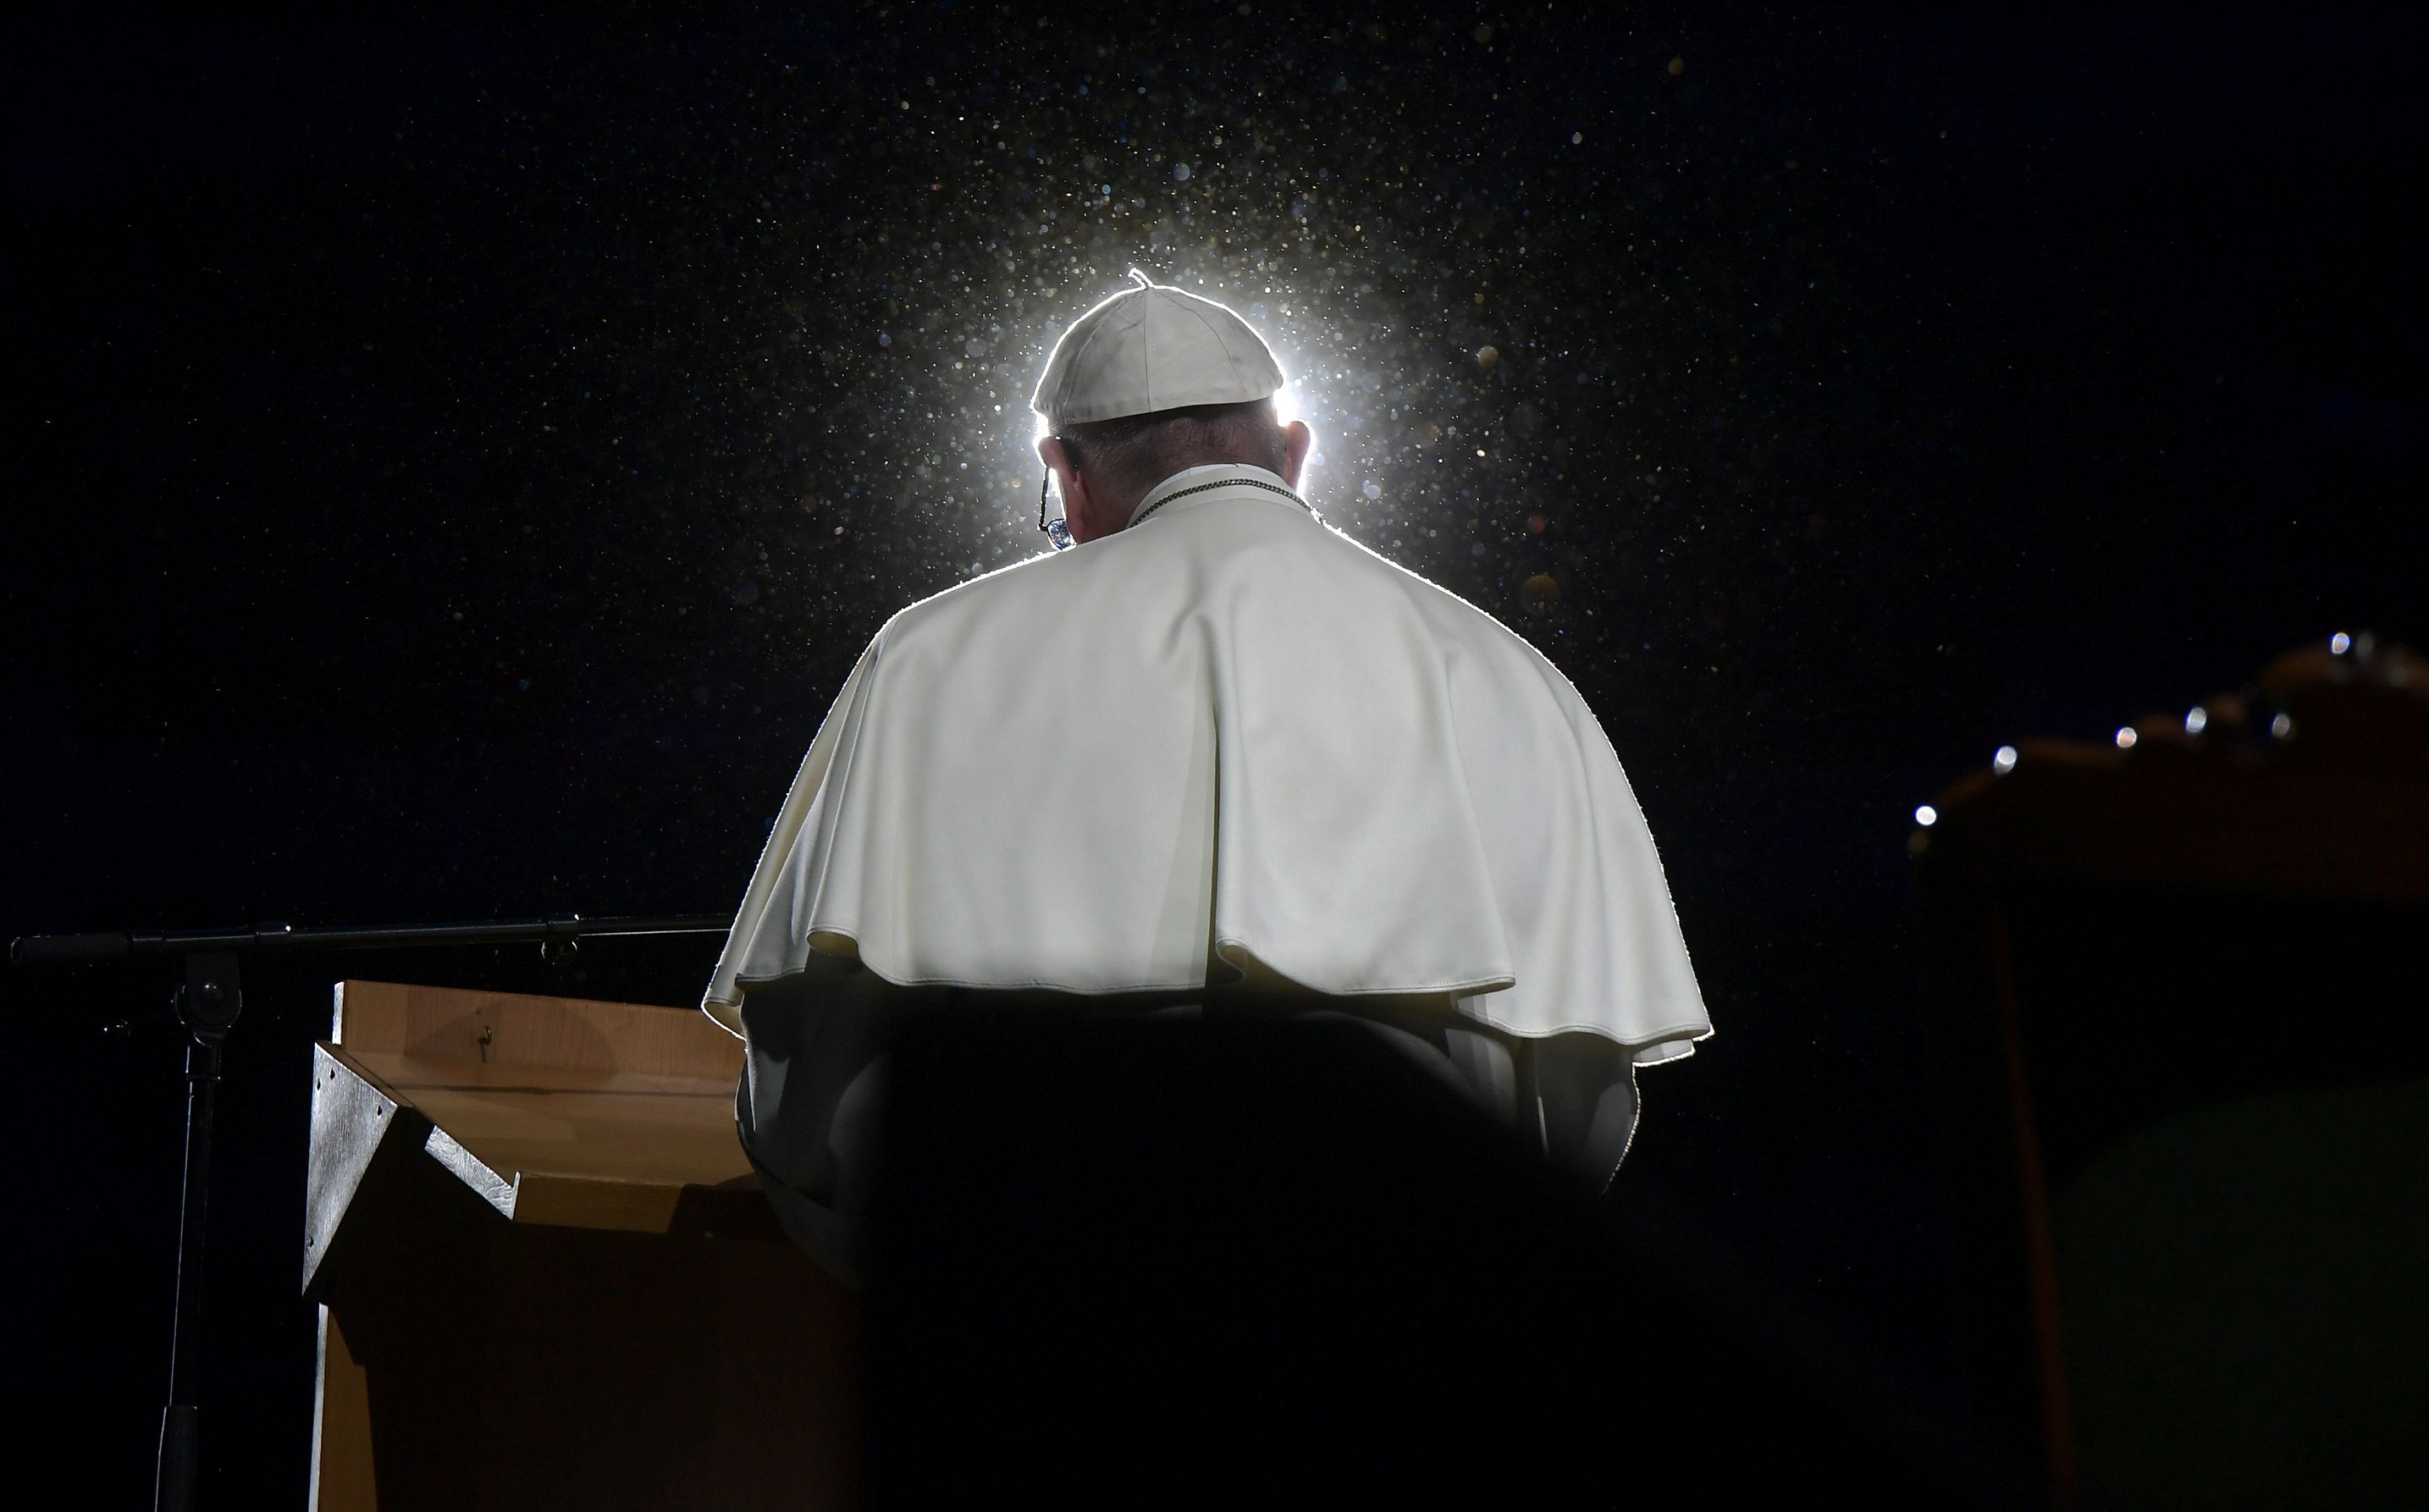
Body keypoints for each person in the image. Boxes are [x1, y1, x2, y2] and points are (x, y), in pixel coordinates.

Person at [704, 270, 1710, 1283]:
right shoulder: (1501, 671)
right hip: (1394, 1303)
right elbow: (1576, 1101)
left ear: (1065, 474)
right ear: (1295, 453)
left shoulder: (929, 655)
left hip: (1031, 1295)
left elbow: (810, 1084)